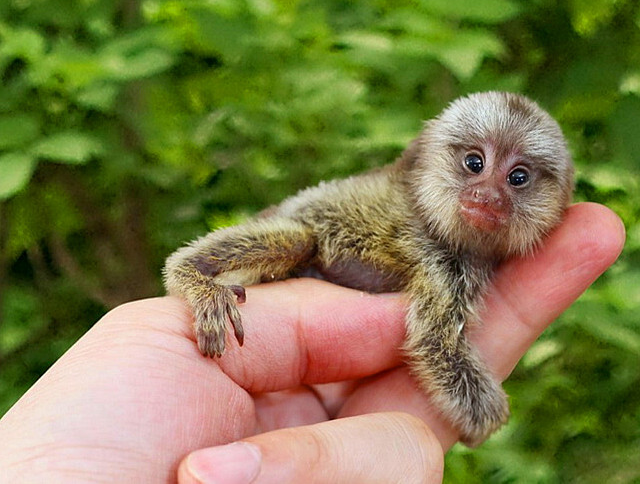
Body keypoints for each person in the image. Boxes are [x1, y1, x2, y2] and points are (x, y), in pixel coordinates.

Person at [0, 203, 624, 484]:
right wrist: (484, 410)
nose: (489, 193)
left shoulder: (473, 258)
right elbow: (435, 341)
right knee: (289, 241)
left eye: (518, 179)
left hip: (308, 368)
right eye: (472, 165)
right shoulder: (438, 245)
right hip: (312, 241)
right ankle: (195, 276)